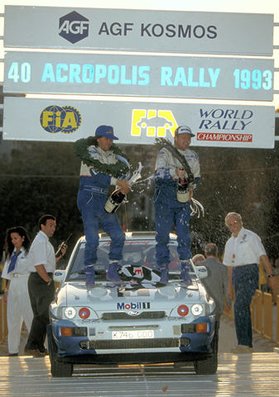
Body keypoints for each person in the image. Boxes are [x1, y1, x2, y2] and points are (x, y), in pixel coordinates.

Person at [75, 125, 131, 288]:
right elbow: (97, 174)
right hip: (88, 196)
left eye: (111, 139)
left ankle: (113, 269)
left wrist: (123, 186)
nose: (109, 142)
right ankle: (89, 273)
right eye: (106, 138)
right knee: (92, 238)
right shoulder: (90, 153)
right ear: (98, 138)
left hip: (101, 198)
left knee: (119, 235)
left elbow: (118, 174)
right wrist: (117, 182)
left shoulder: (113, 156)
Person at [154, 125, 200, 285]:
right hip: (164, 200)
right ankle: (163, 272)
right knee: (162, 237)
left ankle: (185, 272)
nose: (186, 140)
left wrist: (191, 189)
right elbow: (158, 174)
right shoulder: (165, 152)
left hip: (182, 200)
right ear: (175, 138)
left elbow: (197, 178)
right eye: (183, 137)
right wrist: (175, 174)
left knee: (184, 237)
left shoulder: (193, 156)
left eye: (188, 138)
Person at [223, 212, 275, 353]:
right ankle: (245, 344)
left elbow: (262, 256)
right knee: (240, 307)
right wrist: (229, 288)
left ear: (241, 222)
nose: (234, 226)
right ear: (227, 227)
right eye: (230, 224)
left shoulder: (251, 237)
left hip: (250, 271)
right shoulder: (229, 243)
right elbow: (229, 267)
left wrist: (271, 275)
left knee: (241, 305)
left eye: (235, 222)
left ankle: (244, 344)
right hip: (236, 274)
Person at [24, 214, 67, 357]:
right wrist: (48, 280)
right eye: (50, 225)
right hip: (40, 279)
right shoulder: (41, 241)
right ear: (42, 226)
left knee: (42, 314)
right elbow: (39, 265)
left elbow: (48, 261)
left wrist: (60, 254)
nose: (53, 228)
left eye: (54, 225)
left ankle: (38, 347)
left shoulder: (44, 241)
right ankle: (32, 345)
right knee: (43, 313)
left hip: (39, 278)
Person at [1, 226, 33, 356]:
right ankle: (12, 350)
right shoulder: (11, 254)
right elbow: (7, 275)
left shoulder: (29, 253)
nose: (13, 241)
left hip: (25, 284)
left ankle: (36, 346)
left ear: (23, 238)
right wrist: (6, 291)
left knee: (29, 316)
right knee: (13, 319)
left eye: (16, 238)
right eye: (12, 239)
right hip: (13, 285)